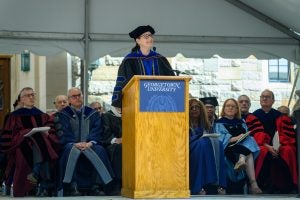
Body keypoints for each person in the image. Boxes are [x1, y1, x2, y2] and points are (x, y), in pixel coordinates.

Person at [0, 87, 60, 197]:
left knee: (40, 139)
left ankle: (36, 175)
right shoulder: (13, 116)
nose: (31, 97)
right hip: (21, 143)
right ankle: (44, 186)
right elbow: (9, 137)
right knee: (41, 144)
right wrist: (27, 132)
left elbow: (50, 128)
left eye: (33, 95)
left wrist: (47, 132)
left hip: (40, 143)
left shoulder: (42, 115)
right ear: (22, 99)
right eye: (28, 95)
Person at [55, 87, 114, 196]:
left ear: (82, 96)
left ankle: (96, 186)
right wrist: (74, 143)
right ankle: (73, 186)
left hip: (89, 144)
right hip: (71, 144)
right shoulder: (63, 114)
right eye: (74, 96)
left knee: (100, 150)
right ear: (69, 99)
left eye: (79, 95)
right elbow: (63, 132)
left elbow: (97, 130)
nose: (77, 98)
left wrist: (90, 143)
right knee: (69, 150)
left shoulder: (92, 113)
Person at [111, 25, 175, 108]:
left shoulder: (160, 59)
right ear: (138, 40)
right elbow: (122, 82)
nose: (150, 38)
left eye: (151, 36)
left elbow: (172, 81)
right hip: (136, 104)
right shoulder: (130, 60)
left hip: (160, 104)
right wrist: (117, 102)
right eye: (146, 36)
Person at [253, 89, 297, 193]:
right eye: (262, 96)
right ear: (260, 100)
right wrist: (268, 146)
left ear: (273, 100)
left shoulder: (280, 116)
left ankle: (287, 186)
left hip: (280, 145)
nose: (264, 98)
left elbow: (286, 135)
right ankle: (262, 185)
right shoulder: (254, 116)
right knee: (263, 151)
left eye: (267, 97)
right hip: (262, 144)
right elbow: (254, 135)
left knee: (288, 150)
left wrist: (279, 146)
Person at [215, 98, 261, 194]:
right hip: (228, 148)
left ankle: (242, 160)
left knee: (250, 139)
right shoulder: (219, 123)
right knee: (248, 151)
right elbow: (220, 140)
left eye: (233, 106)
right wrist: (236, 138)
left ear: (237, 109)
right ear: (224, 109)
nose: (230, 108)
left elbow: (246, 135)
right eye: (228, 106)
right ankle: (253, 184)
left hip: (242, 147)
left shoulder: (241, 122)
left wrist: (242, 137)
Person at [189, 99, 226, 195]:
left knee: (219, 144)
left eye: (197, 107)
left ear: (201, 110)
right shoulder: (184, 123)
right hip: (189, 148)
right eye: (191, 107)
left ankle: (219, 184)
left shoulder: (206, 124)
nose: (194, 109)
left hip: (203, 146)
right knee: (204, 143)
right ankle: (199, 186)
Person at [100, 106, 122, 194]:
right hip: (111, 144)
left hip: (131, 143)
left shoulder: (132, 113)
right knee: (119, 148)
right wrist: (116, 140)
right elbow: (106, 134)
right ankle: (118, 183)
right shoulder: (107, 115)